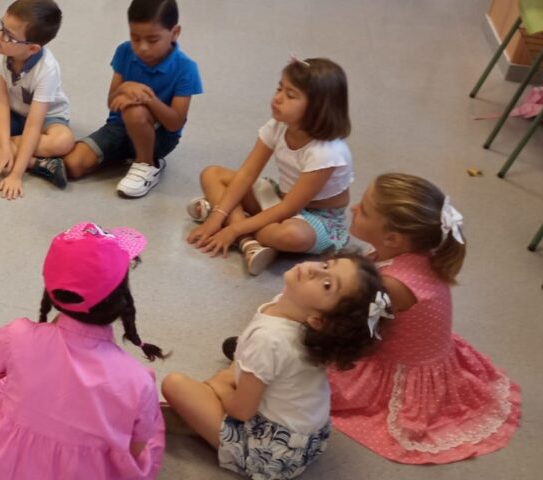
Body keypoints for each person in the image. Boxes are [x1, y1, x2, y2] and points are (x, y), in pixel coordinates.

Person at [328, 174, 520, 463]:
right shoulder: (416, 252)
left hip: (398, 368)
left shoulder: (394, 285)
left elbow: (358, 332)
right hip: (419, 351)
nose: (354, 208)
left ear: (392, 238)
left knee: (315, 377)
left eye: (364, 209)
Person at [0, 223, 166, 479]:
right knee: (154, 427)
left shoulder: (17, 335)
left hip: (6, 466)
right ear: (122, 299)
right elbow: (135, 447)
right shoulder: (138, 381)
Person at [161, 254, 390, 480]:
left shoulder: (271, 340)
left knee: (175, 384)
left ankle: (201, 421)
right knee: (241, 363)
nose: (315, 270)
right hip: (304, 439)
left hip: (271, 452)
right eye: (326, 265)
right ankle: (203, 415)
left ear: (318, 320)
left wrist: (220, 387)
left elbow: (242, 411)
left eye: (327, 285)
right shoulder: (297, 312)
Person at [186, 57, 353, 275]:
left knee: (290, 236)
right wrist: (217, 218)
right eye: (279, 88)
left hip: (318, 219)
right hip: (280, 198)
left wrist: (233, 229)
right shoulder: (278, 126)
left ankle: (239, 225)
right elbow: (247, 174)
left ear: (318, 109)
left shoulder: (326, 152)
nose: (277, 98)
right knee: (212, 174)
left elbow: (289, 209)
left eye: (290, 95)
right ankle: (248, 239)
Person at [62, 0, 202, 198]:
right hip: (119, 128)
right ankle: (127, 154)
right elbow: (112, 102)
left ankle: (147, 163)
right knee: (72, 165)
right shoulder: (125, 51)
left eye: (153, 40)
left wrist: (149, 100)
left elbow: (175, 124)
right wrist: (124, 89)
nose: (143, 48)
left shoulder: (186, 69)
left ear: (175, 33)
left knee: (135, 110)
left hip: (160, 137)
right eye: (135, 38)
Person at [0, 0, 74, 199]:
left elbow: (33, 126)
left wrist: (16, 175)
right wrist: (3, 146)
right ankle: (36, 163)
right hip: (12, 111)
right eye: (1, 27)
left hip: (46, 119)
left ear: (32, 48)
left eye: (9, 36)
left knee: (63, 141)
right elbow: (1, 104)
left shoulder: (47, 70)